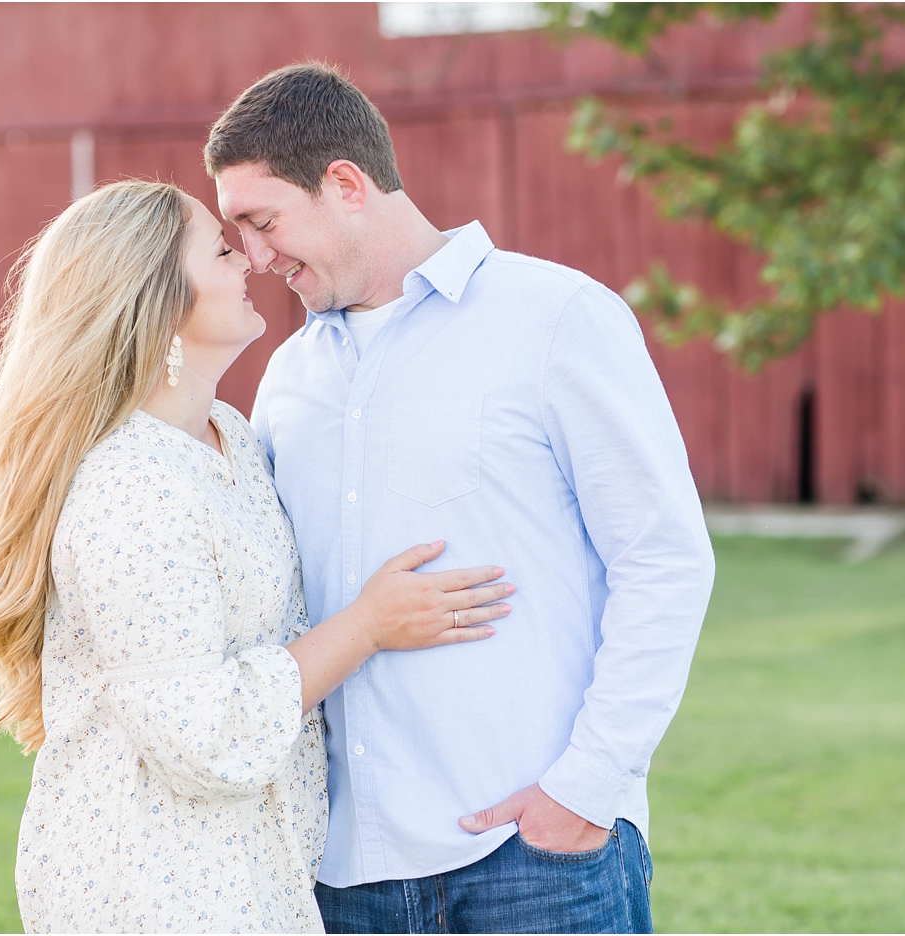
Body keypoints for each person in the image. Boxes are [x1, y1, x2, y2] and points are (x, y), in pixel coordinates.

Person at [206, 62, 716, 934]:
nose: (254, 257)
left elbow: (665, 558)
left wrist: (585, 790)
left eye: (262, 222)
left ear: (344, 184)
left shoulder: (555, 317)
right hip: (343, 874)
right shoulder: (289, 377)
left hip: (535, 858)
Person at [0, 179, 514, 933]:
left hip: (247, 871)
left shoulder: (228, 437)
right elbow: (203, 734)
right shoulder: (131, 486)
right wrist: (369, 627)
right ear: (157, 303)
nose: (251, 257)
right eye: (222, 249)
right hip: (154, 888)